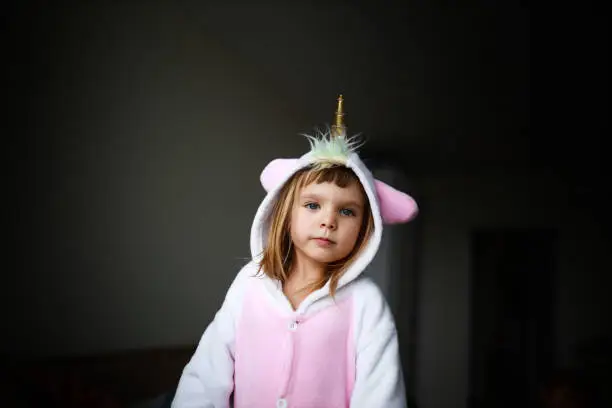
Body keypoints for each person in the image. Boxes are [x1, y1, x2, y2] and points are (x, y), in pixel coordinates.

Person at [171, 95, 419, 408]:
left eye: (347, 212)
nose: (328, 220)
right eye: (313, 205)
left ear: (364, 230)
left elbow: (380, 396)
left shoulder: (366, 303)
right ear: (286, 214)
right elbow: (205, 377)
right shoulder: (250, 282)